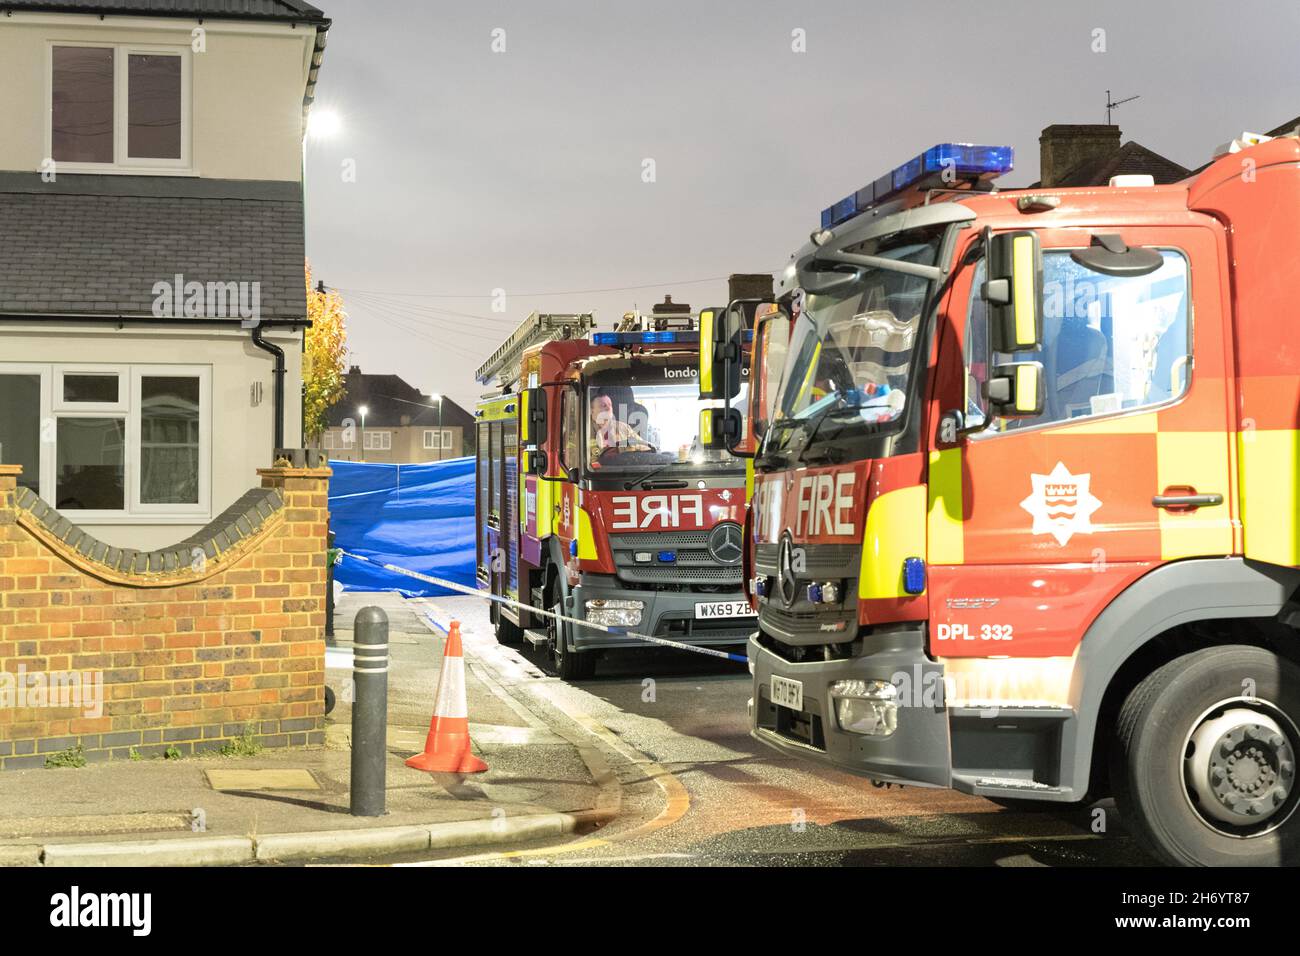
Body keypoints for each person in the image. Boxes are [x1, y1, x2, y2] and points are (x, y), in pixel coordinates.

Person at [587, 391, 651, 465]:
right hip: (595, 474)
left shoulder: (624, 428)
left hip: (621, 473)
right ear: (592, 410)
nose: (609, 408)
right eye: (604, 405)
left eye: (610, 405)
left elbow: (644, 449)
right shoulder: (583, 431)